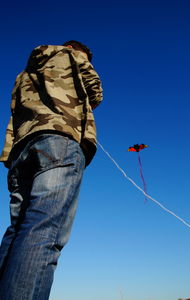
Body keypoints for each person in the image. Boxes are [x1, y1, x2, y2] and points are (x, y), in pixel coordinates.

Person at [0, 40, 103, 300]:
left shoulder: (24, 73)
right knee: (44, 227)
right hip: (59, 140)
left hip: (21, 151)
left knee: (18, 229)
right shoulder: (75, 56)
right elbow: (96, 94)